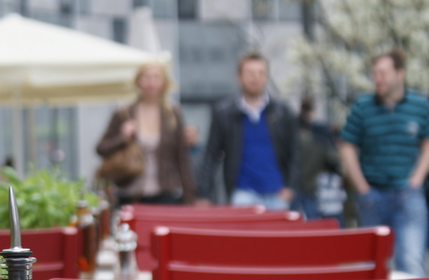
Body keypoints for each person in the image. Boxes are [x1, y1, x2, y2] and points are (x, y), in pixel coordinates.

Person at [339, 48, 429, 278]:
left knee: (411, 260)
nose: (377, 79)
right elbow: (347, 145)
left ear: (399, 74)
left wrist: (417, 179)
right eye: (374, 74)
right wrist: (361, 187)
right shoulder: (362, 108)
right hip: (372, 196)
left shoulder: (420, 106)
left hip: (408, 195)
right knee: (373, 265)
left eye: (383, 73)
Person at [196, 51, 299, 208]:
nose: (255, 77)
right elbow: (211, 154)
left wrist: (290, 187)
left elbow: (295, 153)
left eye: (260, 73)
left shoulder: (282, 111)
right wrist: (204, 194)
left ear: (266, 76)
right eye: (250, 72)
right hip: (242, 194)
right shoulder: (224, 113)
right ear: (239, 76)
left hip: (278, 194)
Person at [96, 61, 195, 204]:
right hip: (130, 191)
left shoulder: (173, 114)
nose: (151, 82)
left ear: (164, 82)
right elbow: (101, 148)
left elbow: (182, 158)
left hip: (165, 192)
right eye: (146, 77)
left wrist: (190, 197)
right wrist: (123, 137)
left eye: (156, 77)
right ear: (138, 82)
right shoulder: (123, 114)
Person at [295, 98, 346, 223]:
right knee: (313, 226)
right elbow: (334, 161)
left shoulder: (294, 135)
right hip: (312, 187)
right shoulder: (319, 138)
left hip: (293, 187)